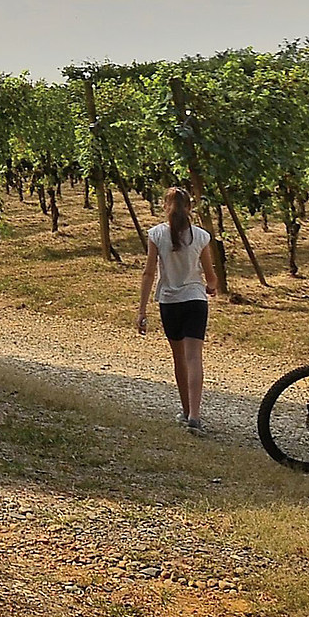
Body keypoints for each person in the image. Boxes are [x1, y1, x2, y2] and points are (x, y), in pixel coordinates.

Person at [136, 185, 214, 432]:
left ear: (164, 206)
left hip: (169, 301)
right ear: (190, 208)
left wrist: (141, 310)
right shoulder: (201, 236)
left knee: (179, 359)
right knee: (194, 359)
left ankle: (185, 409)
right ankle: (195, 414)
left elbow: (149, 272)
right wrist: (210, 286)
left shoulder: (156, 234)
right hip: (195, 300)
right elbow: (211, 276)